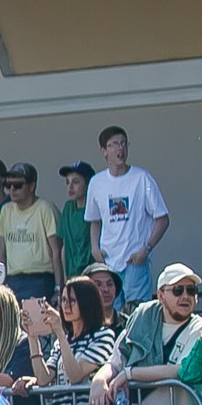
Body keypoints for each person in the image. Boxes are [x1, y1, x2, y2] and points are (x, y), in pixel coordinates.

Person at [89, 264, 202, 405]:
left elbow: (180, 370)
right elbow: (116, 361)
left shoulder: (201, 328)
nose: (185, 296)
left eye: (191, 290)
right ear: (160, 295)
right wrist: (99, 380)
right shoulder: (141, 320)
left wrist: (129, 374)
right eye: (177, 290)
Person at [84, 126, 169, 307]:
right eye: (114, 144)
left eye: (123, 143)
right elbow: (94, 221)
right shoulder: (96, 182)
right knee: (110, 312)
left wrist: (146, 250)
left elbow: (162, 219)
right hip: (108, 262)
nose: (120, 149)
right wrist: (94, 248)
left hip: (134, 260)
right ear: (104, 151)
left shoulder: (142, 178)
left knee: (137, 312)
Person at [22, 276, 116, 390]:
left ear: (87, 302)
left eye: (72, 300)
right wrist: (32, 336)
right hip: (59, 402)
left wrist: (60, 333)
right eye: (63, 300)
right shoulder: (60, 342)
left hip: (86, 402)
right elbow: (43, 379)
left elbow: (76, 376)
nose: (66, 305)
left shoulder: (103, 336)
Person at [0, 162, 61, 300]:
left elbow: (56, 251)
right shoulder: (6, 210)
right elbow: (2, 252)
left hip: (40, 278)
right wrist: (1, 283)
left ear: (32, 186)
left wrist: (58, 287)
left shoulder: (45, 208)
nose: (12, 189)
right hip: (11, 280)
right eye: (8, 185)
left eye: (18, 185)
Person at [56, 160, 94, 281]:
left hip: (93, 272)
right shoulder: (68, 208)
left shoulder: (96, 207)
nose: (70, 187)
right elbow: (64, 246)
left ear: (88, 183)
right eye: (67, 182)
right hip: (72, 274)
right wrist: (65, 278)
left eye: (76, 182)